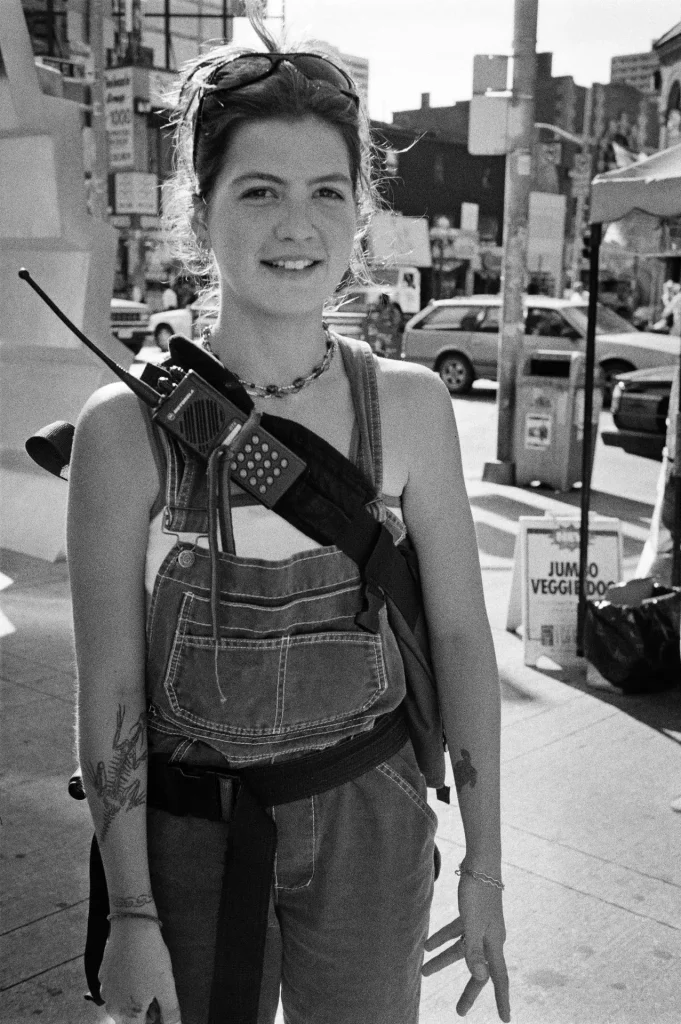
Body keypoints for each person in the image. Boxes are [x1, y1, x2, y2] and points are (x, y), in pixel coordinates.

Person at [67, 7, 508, 1024]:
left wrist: (483, 867)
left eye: (324, 193)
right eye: (257, 191)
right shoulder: (124, 429)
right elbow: (112, 691)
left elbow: (457, 637)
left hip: (370, 817)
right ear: (197, 211)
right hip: (189, 831)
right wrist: (131, 912)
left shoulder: (408, 406)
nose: (294, 225)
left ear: (359, 215)